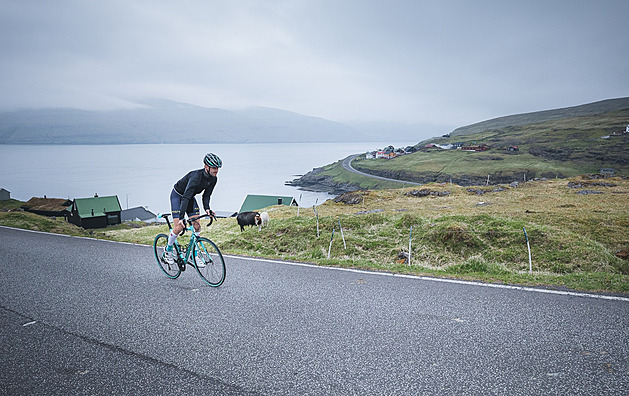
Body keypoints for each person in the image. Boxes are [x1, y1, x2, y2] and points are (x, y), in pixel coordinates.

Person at [164, 152, 222, 264]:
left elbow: (207, 195)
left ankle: (195, 255)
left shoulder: (213, 179)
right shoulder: (196, 177)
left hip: (189, 197)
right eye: (214, 167)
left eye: (217, 168)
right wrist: (181, 217)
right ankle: (168, 250)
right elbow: (185, 197)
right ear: (206, 167)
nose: (216, 170)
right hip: (178, 196)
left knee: (197, 225)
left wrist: (207, 209)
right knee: (179, 227)